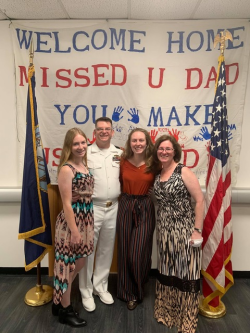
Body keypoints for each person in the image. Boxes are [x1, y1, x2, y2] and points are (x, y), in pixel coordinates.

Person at [150, 134, 204, 333]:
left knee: (186, 271)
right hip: (164, 231)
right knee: (168, 271)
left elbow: (199, 201)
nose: (164, 152)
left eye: (168, 149)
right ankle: (168, 313)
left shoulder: (184, 171)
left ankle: (186, 318)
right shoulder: (158, 172)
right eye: (161, 149)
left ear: (175, 152)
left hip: (184, 230)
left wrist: (197, 231)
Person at [79, 117, 123, 312]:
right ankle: (86, 291)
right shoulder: (85, 153)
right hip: (92, 208)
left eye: (108, 129)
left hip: (114, 206)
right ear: (94, 132)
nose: (104, 132)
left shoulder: (120, 153)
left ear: (113, 132)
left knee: (106, 249)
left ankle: (100, 287)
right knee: (88, 250)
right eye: (100, 129)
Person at [52, 128, 94, 328]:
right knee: (69, 266)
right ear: (69, 146)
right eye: (76, 144)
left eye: (83, 143)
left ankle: (59, 300)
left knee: (79, 264)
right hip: (71, 224)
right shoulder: (67, 169)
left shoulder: (84, 166)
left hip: (85, 221)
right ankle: (65, 311)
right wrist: (75, 231)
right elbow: (66, 203)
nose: (80, 147)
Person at [116, 128, 156, 310]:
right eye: (134, 140)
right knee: (125, 251)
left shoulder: (154, 163)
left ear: (147, 142)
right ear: (129, 143)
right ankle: (128, 293)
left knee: (138, 252)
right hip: (125, 204)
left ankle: (139, 286)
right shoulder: (121, 161)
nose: (138, 144)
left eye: (141, 140)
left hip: (145, 206)